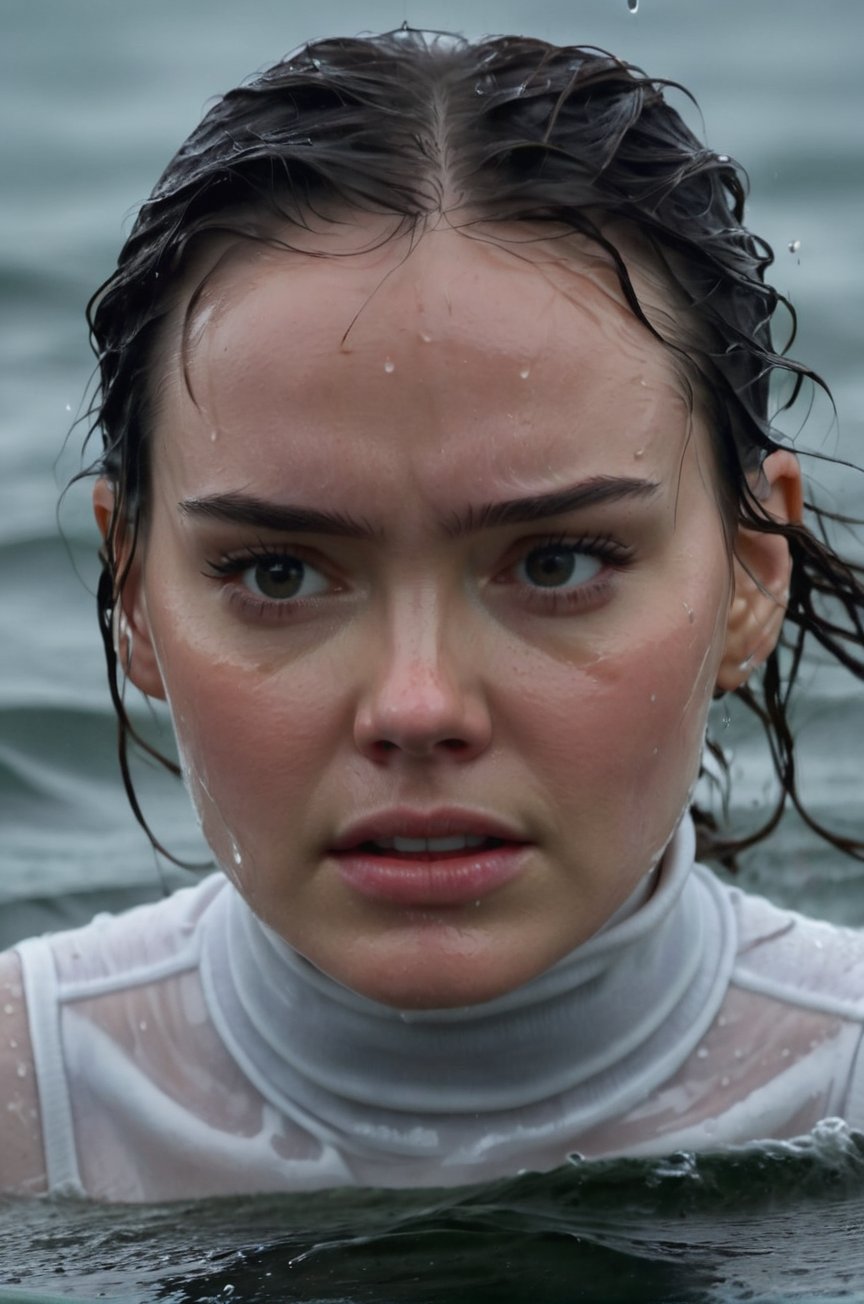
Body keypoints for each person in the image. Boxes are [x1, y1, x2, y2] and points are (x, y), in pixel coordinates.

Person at [3, 29, 864, 1203]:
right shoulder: (22, 1103)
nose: (418, 707)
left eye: (558, 561)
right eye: (278, 574)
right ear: (133, 593)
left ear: (750, 579)